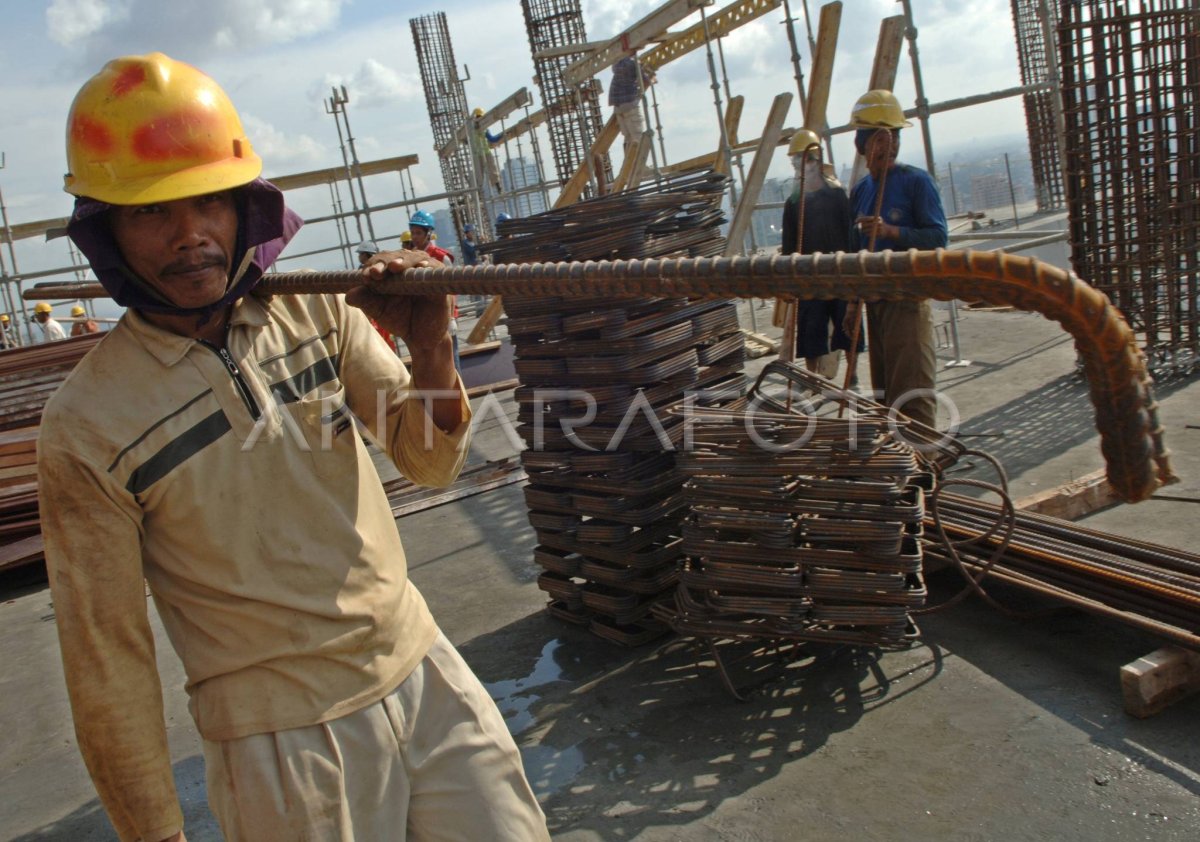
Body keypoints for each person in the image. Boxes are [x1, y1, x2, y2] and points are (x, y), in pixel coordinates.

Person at [39, 52, 548, 842]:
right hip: (282, 745)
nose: (189, 234)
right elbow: (108, 660)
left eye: (208, 199)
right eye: (150, 213)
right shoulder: (88, 427)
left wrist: (433, 346)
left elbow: (430, 461)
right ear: (103, 231)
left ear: (245, 206)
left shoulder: (320, 319)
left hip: (424, 672)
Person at [846, 89, 948, 430]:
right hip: (875, 304)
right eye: (875, 140)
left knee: (912, 394)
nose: (885, 148)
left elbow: (937, 239)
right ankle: (897, 464)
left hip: (907, 300)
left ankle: (924, 466)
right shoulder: (862, 191)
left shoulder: (916, 183)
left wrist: (892, 232)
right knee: (885, 396)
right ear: (861, 145)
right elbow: (856, 253)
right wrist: (852, 303)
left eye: (890, 139)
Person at [780, 128, 860, 382]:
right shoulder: (794, 203)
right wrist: (791, 280)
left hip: (838, 271)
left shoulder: (836, 195)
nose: (801, 166)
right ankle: (812, 378)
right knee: (810, 330)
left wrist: (852, 271)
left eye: (804, 160)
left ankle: (852, 375)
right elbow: (789, 245)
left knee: (847, 325)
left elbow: (849, 235)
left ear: (815, 160)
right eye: (796, 161)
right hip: (809, 276)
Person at [407, 211, 460, 372]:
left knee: (450, 361)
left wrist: (451, 316)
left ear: (428, 233)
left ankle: (458, 395)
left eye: (418, 233)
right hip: (424, 317)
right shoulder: (411, 257)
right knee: (430, 365)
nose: (415, 237)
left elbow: (451, 289)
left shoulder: (441, 258)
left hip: (443, 315)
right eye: (413, 233)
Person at [609, 50, 655, 149]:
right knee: (638, 138)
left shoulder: (617, 65)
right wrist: (651, 80)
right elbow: (646, 82)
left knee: (628, 138)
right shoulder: (633, 64)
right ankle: (636, 163)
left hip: (618, 107)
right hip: (630, 106)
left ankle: (629, 162)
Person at [470, 107, 503, 193]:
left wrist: (501, 136)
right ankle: (497, 186)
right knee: (491, 170)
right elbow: (492, 139)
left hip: (478, 154)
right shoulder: (476, 129)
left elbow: (491, 139)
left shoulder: (472, 129)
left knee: (481, 173)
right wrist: (501, 135)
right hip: (484, 153)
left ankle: (479, 191)